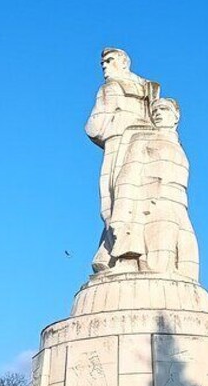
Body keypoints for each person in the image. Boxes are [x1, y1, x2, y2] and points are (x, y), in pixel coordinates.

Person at [107, 97, 200, 280]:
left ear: (176, 115)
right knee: (158, 266)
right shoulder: (142, 139)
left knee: (188, 267)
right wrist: (121, 214)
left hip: (180, 204)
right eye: (155, 111)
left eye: (163, 109)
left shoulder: (178, 145)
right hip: (154, 203)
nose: (157, 114)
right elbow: (128, 176)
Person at [84, 48, 159, 272]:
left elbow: (94, 127)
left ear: (124, 62)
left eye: (109, 61)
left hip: (130, 144)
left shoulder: (119, 87)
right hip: (133, 144)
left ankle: (126, 252)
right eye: (103, 63)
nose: (105, 66)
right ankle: (118, 251)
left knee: (122, 197)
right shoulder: (141, 87)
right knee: (123, 198)